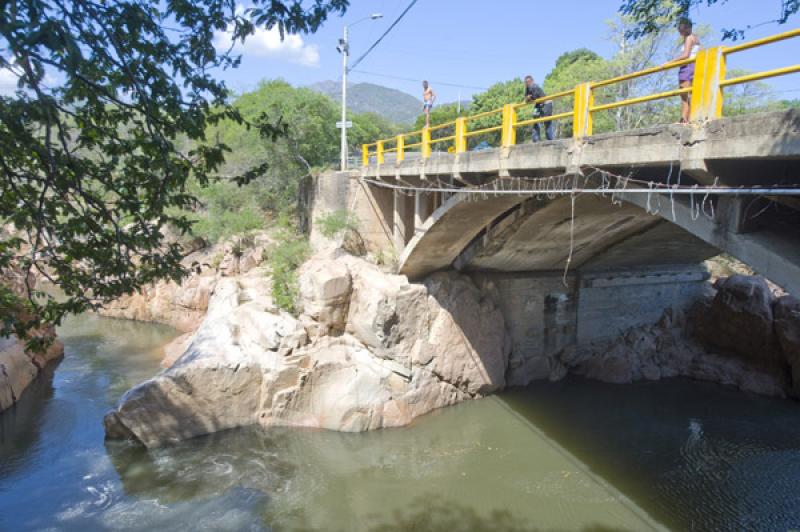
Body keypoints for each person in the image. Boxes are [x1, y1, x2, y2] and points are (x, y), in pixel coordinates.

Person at [674, 18, 701, 123]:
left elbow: (686, 55)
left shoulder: (689, 38)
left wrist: (670, 62)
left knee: (684, 95)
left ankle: (684, 119)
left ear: (687, 27)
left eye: (682, 28)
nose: (680, 30)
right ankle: (689, 118)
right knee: (690, 94)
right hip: (694, 66)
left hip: (687, 67)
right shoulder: (695, 38)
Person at [524, 75, 554, 141]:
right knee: (535, 120)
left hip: (546, 103)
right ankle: (536, 139)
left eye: (529, 81)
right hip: (538, 104)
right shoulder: (527, 89)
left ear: (532, 81)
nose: (528, 83)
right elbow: (526, 99)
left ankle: (550, 139)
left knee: (547, 121)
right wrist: (528, 98)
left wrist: (530, 98)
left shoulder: (535, 87)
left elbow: (542, 98)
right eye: (526, 82)